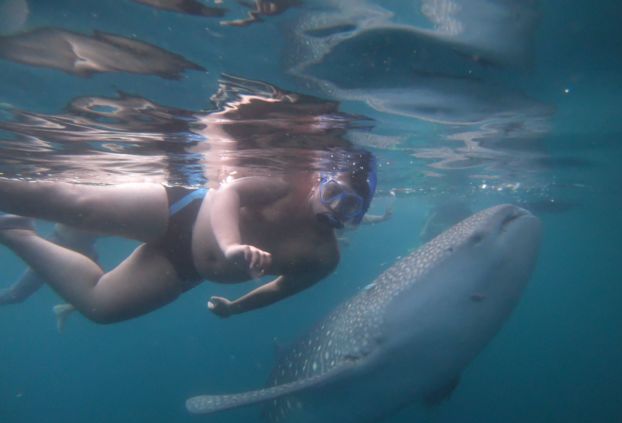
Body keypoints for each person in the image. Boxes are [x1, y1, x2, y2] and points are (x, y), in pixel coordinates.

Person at [0, 163, 375, 324]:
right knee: (76, 204)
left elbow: (281, 288)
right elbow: (229, 192)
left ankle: (15, 231)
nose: (334, 208)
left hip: (185, 267)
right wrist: (230, 246)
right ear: (319, 181)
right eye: (332, 192)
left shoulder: (324, 257)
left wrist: (235, 309)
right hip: (184, 209)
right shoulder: (287, 185)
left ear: (359, 216)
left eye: (350, 207)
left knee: (102, 307)